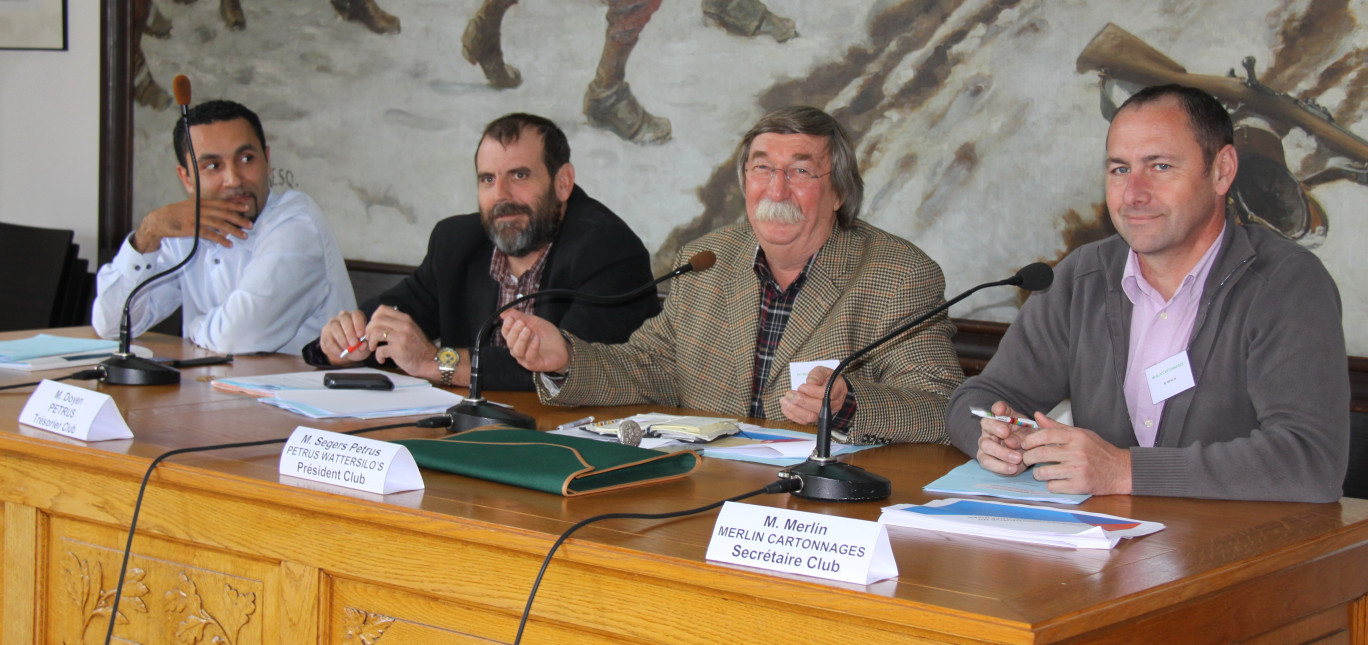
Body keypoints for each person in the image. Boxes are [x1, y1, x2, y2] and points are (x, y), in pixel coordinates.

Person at [946, 84, 1349, 502]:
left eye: (1159, 166)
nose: (1133, 194)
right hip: (1104, 552)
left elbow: (1311, 460)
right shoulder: (1082, 276)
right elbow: (977, 399)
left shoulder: (1286, 282)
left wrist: (1124, 471)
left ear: (1222, 170)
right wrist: (990, 436)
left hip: (1240, 555)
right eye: (1120, 169)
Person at [500, 106, 964, 443]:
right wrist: (565, 359)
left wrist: (849, 406)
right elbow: (651, 369)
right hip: (707, 491)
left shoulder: (898, 275)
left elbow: (941, 409)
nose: (776, 188)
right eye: (762, 168)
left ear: (839, 191)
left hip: (819, 512)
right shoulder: (709, 259)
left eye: (800, 171)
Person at [303, 113, 659, 390]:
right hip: (469, 435)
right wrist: (347, 341)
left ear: (563, 182)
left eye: (519, 176)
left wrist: (434, 361)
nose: (501, 195)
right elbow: (396, 313)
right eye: (487, 179)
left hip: (569, 441)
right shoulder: (457, 242)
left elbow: (564, 368)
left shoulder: (607, 249)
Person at [93, 100, 355, 355]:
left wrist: (195, 327)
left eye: (246, 159)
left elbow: (240, 336)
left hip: (297, 394)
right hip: (212, 392)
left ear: (267, 159)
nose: (233, 179)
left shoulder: (297, 223)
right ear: (186, 178)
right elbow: (113, 325)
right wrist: (148, 233)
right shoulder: (187, 225)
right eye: (213, 166)